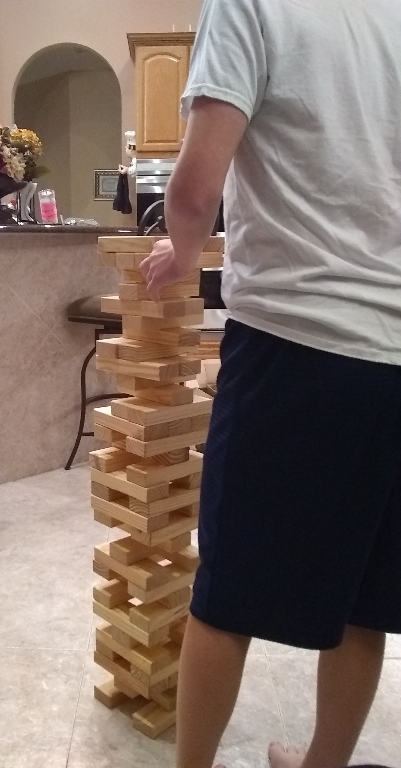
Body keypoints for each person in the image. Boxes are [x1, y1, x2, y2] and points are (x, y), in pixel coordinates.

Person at [140, 2, 401, 768]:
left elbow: (195, 189)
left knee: (228, 595)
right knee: (365, 598)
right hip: (395, 349)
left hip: (294, 339)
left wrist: (184, 248)